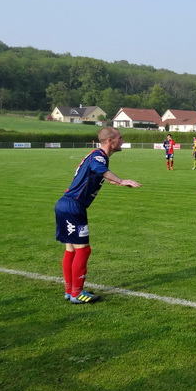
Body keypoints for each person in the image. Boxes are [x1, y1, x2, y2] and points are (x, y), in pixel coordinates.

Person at [54, 127, 141, 304]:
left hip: (66, 204)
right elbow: (99, 169)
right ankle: (77, 293)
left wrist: (116, 182)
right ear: (110, 141)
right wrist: (121, 180)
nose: (122, 141)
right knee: (83, 249)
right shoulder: (99, 156)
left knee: (71, 249)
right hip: (73, 207)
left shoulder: (96, 156)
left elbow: (98, 174)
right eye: (120, 138)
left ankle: (70, 290)